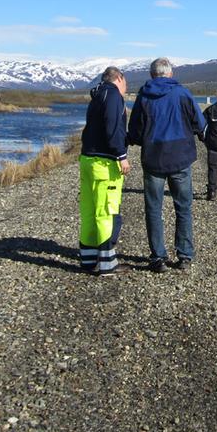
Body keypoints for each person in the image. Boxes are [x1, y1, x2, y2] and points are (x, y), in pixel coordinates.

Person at [127, 58, 206, 272]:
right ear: (170, 73)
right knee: (183, 207)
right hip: (180, 158)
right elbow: (200, 124)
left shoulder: (143, 96)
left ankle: (158, 258)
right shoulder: (183, 93)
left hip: (153, 158)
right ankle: (184, 257)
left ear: (152, 75)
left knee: (153, 208)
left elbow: (134, 131)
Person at [78, 66, 131, 276]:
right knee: (106, 211)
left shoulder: (97, 95)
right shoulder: (113, 96)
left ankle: (88, 259)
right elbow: (112, 127)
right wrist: (121, 155)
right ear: (118, 78)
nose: (126, 88)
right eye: (125, 83)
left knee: (89, 211)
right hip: (104, 163)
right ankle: (108, 263)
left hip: (87, 159)